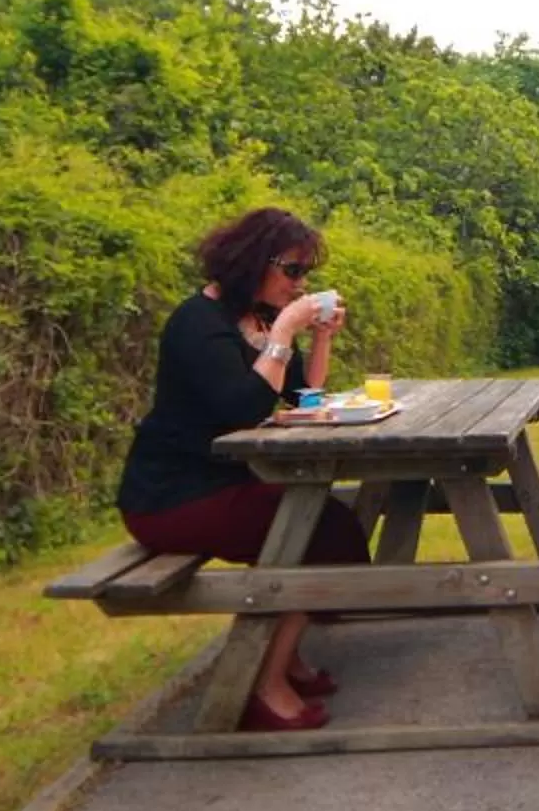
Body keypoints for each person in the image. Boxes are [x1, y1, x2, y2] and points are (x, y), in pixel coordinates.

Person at [116, 205, 369, 731]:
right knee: (319, 529)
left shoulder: (255, 318)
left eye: (306, 275)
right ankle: (261, 686)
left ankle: (285, 657)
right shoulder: (198, 324)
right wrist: (282, 334)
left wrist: (318, 337)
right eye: (292, 271)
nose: (300, 285)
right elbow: (241, 409)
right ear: (252, 261)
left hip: (225, 484)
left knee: (323, 521)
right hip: (172, 497)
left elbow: (301, 398)